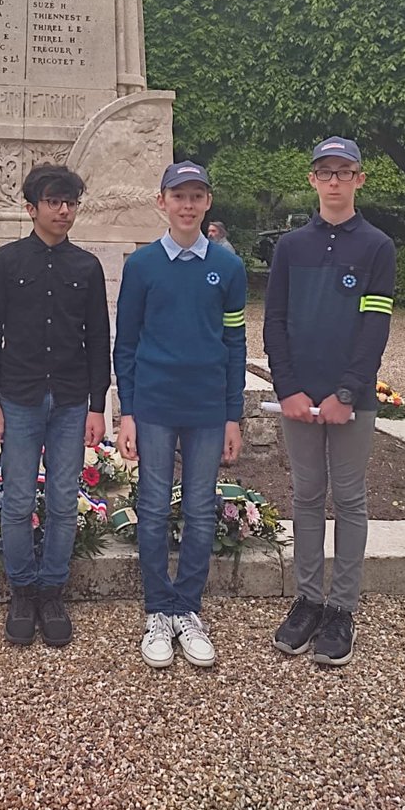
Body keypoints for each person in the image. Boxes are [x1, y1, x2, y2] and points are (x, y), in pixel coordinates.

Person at [263, 137, 395, 667]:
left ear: (360, 178)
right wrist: (288, 388)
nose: (335, 180)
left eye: (344, 171)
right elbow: (274, 322)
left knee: (350, 500)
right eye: (325, 172)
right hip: (299, 396)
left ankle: (342, 608)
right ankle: (309, 600)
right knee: (307, 497)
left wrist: (346, 392)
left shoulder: (377, 247)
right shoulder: (291, 246)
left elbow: (375, 325)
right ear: (313, 179)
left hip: (351, 400)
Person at [114, 161, 247, 670]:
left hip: (208, 408)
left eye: (196, 196)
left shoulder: (228, 268)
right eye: (178, 196)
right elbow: (125, 344)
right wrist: (127, 411)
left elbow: (235, 343)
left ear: (208, 202)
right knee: (152, 508)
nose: (187, 205)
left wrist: (234, 415)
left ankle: (187, 607)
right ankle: (157, 609)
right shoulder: (142, 265)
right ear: (161, 202)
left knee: (199, 507)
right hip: (153, 404)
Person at [0, 163, 111, 648]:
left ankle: (52, 589)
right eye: (54, 201)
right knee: (16, 500)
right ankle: (22, 589)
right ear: (31, 208)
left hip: (72, 399)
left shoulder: (87, 267)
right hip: (20, 396)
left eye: (71, 201)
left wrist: (99, 406)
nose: (64, 210)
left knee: (61, 500)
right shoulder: (8, 261)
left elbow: (99, 339)